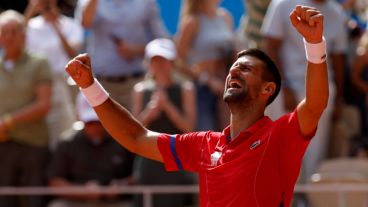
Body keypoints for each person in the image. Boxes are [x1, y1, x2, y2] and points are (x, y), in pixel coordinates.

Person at [66, 5, 329, 206]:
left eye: (245, 69)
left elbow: (315, 105)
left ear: (267, 89)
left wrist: (314, 44)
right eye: (232, 69)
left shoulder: (280, 135)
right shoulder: (204, 144)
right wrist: (89, 86)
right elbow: (136, 137)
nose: (233, 73)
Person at [261, 0, 347, 182]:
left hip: (322, 92)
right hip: (284, 91)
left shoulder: (337, 12)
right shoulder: (282, 4)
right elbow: (270, 47)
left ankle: (307, 200)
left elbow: (338, 58)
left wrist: (339, 97)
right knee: (280, 149)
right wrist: (282, 86)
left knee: (315, 153)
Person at [131, 38, 197, 207]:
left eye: (163, 59)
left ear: (172, 62)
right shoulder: (140, 90)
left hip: (177, 159)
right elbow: (133, 130)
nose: (159, 64)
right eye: (155, 60)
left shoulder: (186, 89)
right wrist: (150, 112)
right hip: (148, 160)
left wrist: (167, 106)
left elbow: (189, 128)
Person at [0, 10, 52, 207]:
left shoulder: (39, 63)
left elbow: (43, 104)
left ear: (24, 35)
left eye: (14, 31)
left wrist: (8, 121)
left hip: (33, 144)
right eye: (4, 32)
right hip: (2, 147)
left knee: (34, 201)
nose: (9, 37)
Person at [74, 0, 168, 109]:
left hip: (136, 83)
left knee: (137, 125)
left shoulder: (146, 2)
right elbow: (85, 23)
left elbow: (161, 42)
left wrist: (135, 50)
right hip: (102, 85)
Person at [47, 92, 134, 207]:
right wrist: (82, 191)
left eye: (99, 122)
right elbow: (55, 181)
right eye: (90, 122)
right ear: (79, 117)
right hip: (74, 203)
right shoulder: (67, 142)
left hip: (115, 203)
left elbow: (136, 175)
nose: (95, 127)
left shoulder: (122, 141)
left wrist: (122, 185)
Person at [25, 0, 84, 149]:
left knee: (66, 127)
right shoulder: (30, 25)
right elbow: (13, 33)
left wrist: (55, 25)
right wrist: (32, 8)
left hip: (64, 85)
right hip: (36, 87)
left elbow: (73, 53)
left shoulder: (70, 25)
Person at [175, 0, 236, 131]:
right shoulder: (191, 22)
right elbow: (178, 61)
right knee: (206, 138)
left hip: (227, 88)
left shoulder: (226, 17)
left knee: (231, 137)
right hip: (202, 91)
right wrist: (207, 80)